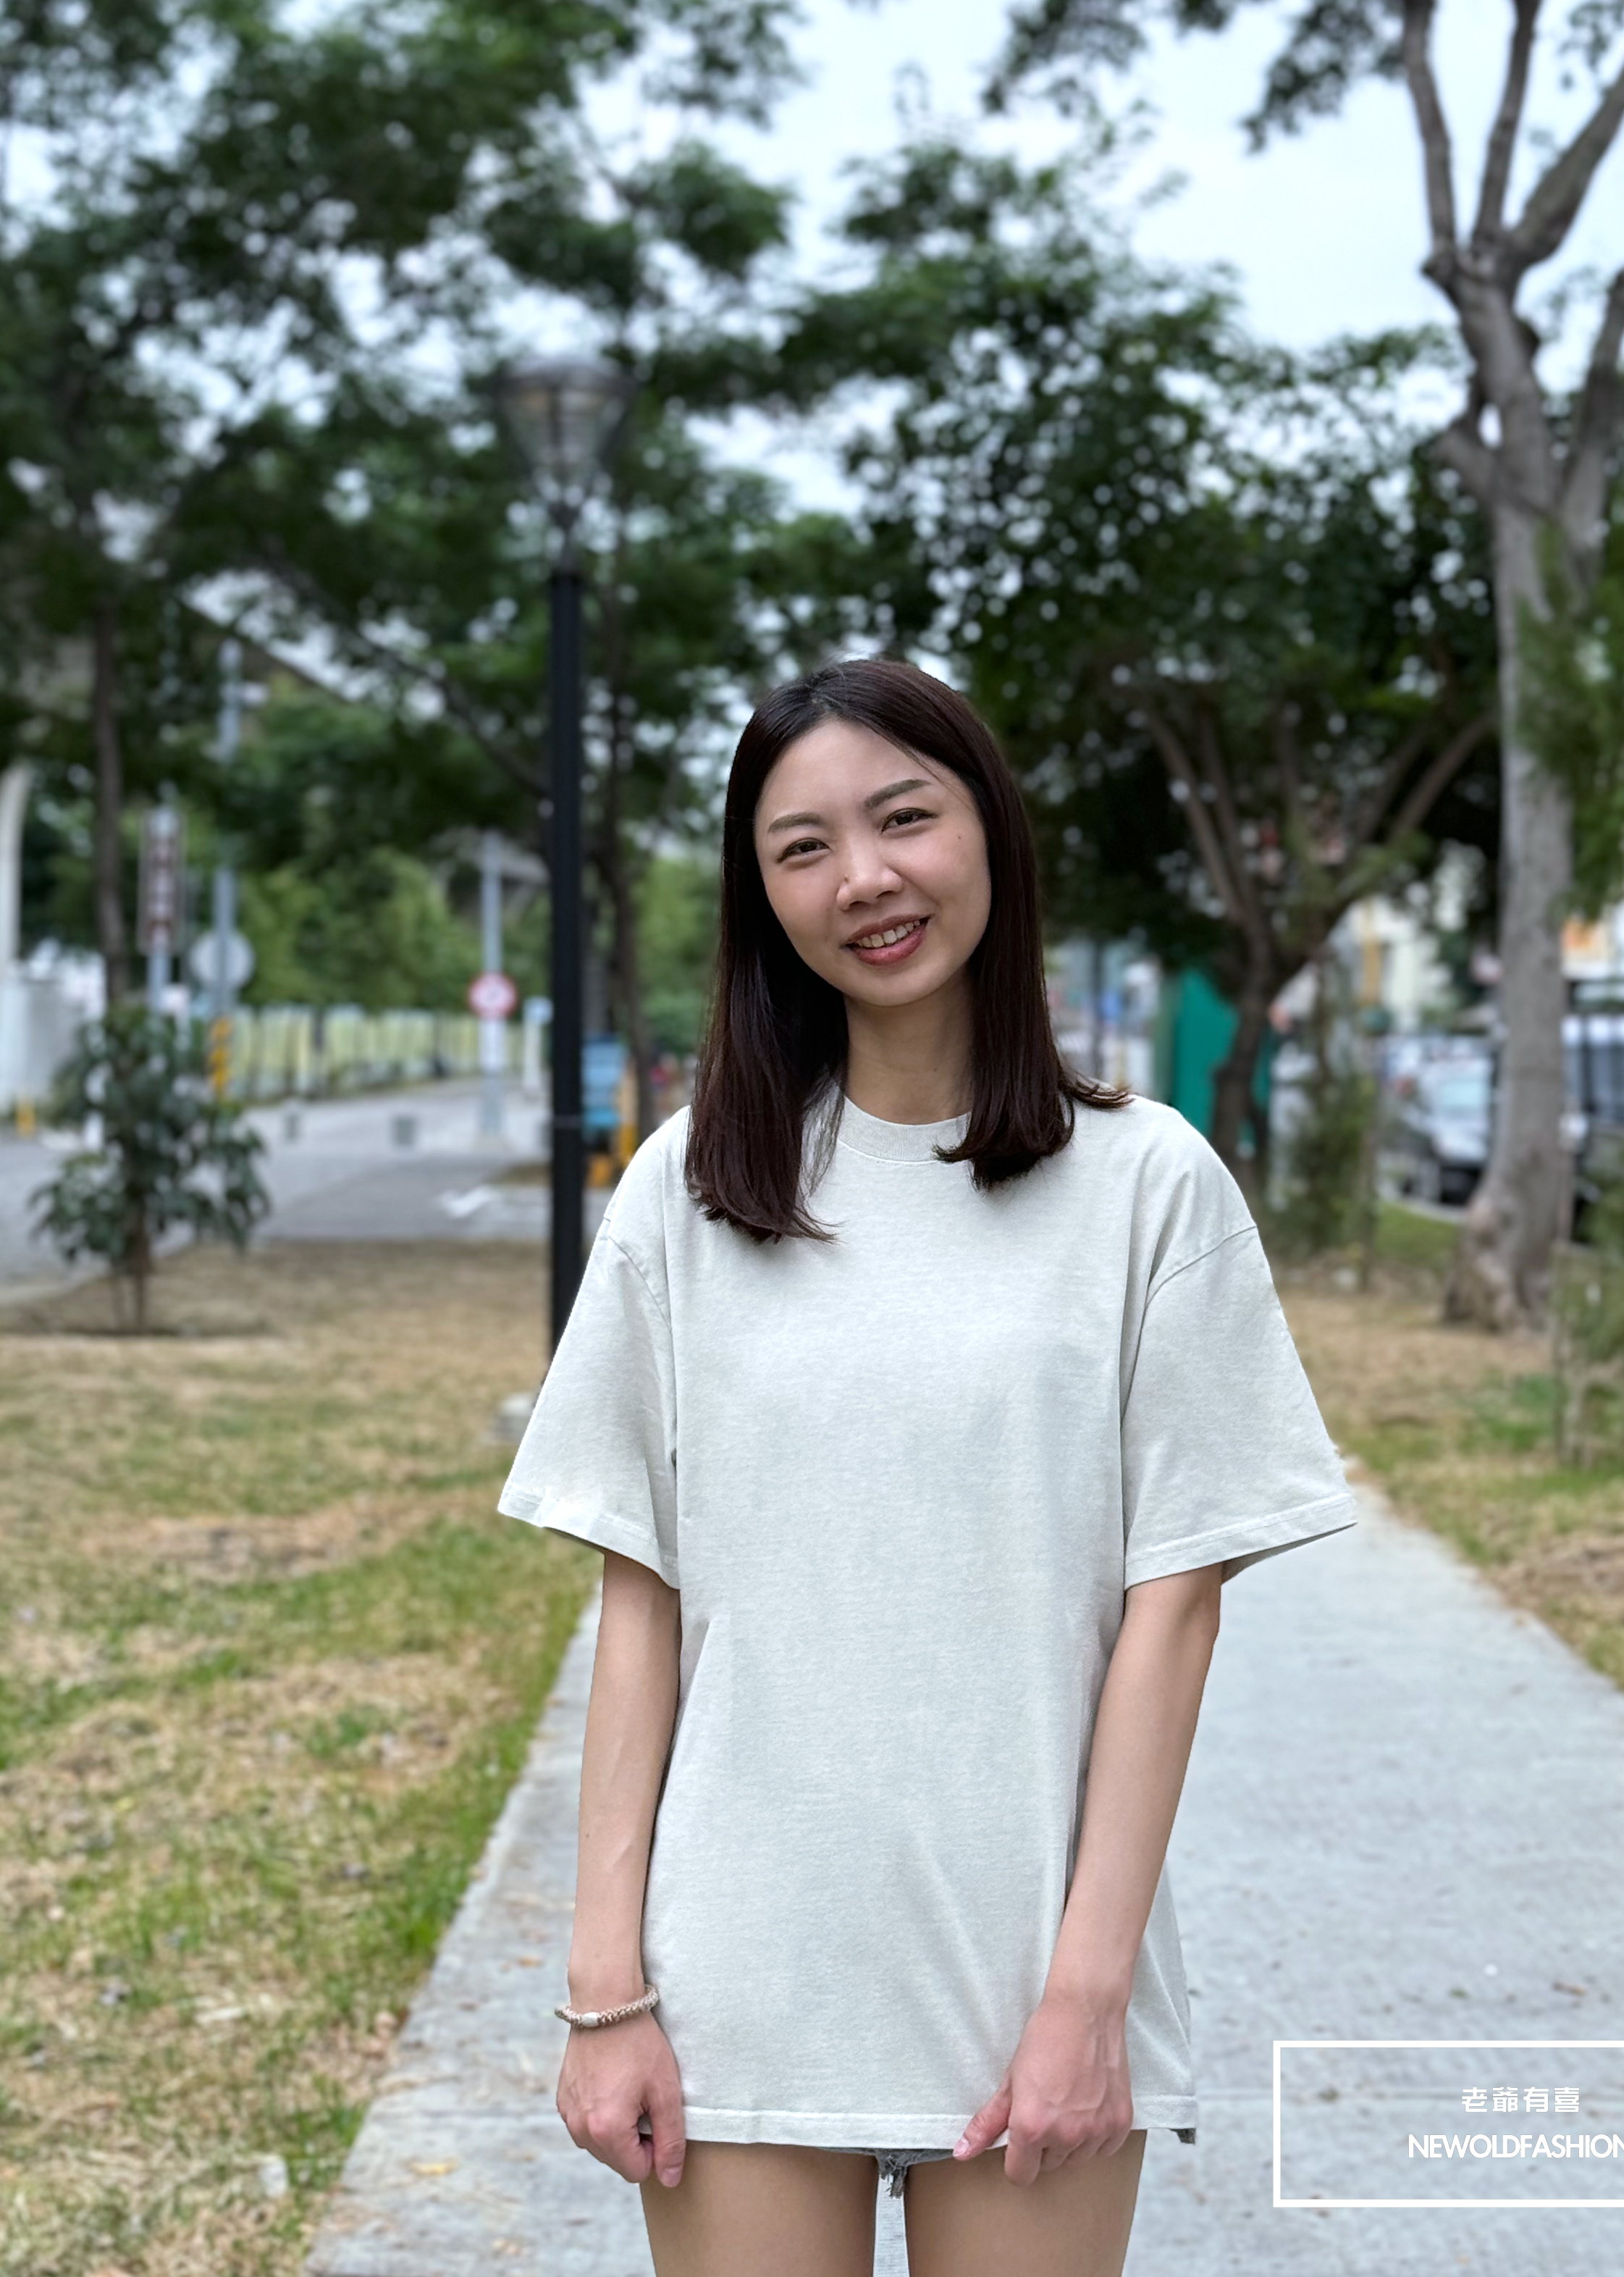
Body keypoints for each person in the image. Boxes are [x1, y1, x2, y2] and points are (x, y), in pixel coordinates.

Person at [499, 658, 1355, 2277]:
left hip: (1034, 1975)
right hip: (739, 1968)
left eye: (904, 819)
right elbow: (641, 1604)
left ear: (990, 835)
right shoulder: (690, 1190)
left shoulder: (1150, 1187)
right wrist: (605, 1989)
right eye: (802, 847)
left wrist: (1089, 1995)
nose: (865, 879)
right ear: (762, 898)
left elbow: (1174, 1616)